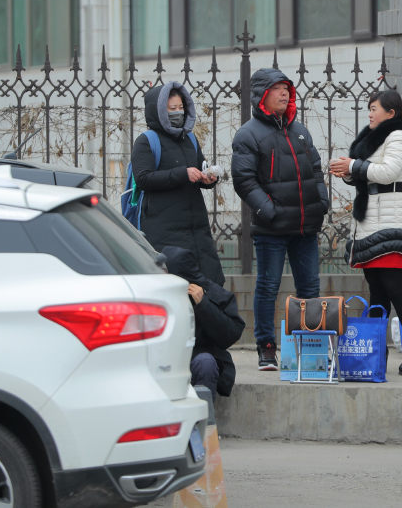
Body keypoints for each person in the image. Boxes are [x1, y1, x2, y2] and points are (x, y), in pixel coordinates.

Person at [231, 68, 329, 370]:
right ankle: (266, 347)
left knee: (310, 290)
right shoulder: (248, 134)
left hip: (305, 226)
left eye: (287, 88)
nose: (284, 93)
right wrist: (269, 211)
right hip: (271, 228)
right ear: (262, 95)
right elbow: (244, 180)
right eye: (277, 88)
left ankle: (311, 351)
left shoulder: (300, 131)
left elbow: (315, 169)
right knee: (268, 287)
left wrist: (321, 202)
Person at [328, 89, 402, 376]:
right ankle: (375, 349)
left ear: (391, 113)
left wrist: (353, 165)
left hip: (391, 220)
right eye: (369, 108)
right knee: (377, 288)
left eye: (374, 109)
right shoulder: (372, 137)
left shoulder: (398, 135)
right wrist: (348, 172)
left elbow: (387, 172)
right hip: (369, 220)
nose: (370, 113)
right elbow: (367, 174)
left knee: (395, 286)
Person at [132, 81, 225, 286]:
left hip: (197, 228)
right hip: (164, 230)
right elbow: (144, 178)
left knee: (211, 283)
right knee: (178, 285)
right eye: (172, 108)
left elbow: (198, 170)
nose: (178, 113)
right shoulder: (147, 141)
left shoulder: (189, 138)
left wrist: (208, 179)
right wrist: (182, 173)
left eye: (181, 107)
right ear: (159, 111)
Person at [163, 246, 246, 400]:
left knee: (205, 362)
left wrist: (203, 305)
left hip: (200, 357)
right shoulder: (155, 294)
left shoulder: (210, 292)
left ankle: (204, 415)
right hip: (165, 358)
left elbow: (231, 334)